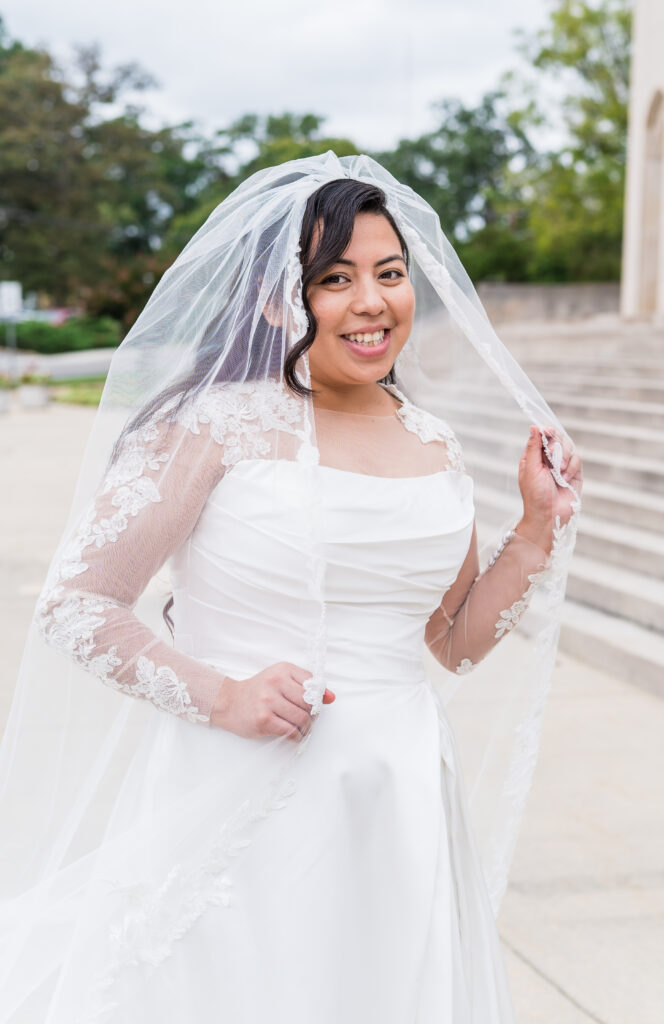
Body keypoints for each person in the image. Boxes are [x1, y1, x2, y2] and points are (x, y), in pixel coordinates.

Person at [0, 153, 581, 1023]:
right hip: (240, 794)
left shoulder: (434, 442)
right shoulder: (218, 424)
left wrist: (535, 527)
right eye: (335, 279)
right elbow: (76, 606)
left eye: (389, 274)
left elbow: (452, 641)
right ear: (279, 298)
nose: (372, 302)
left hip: (398, 802)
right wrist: (223, 694)